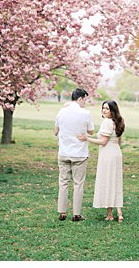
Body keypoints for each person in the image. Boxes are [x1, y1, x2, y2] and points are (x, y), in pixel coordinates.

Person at [78, 100, 125, 222]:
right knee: (115, 181)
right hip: (116, 152)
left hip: (108, 154)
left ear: (112, 110)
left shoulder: (107, 122)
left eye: (107, 108)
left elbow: (103, 142)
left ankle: (110, 214)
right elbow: (118, 141)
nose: (104, 110)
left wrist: (87, 138)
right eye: (103, 108)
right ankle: (119, 212)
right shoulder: (118, 122)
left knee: (107, 181)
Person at [54, 88, 94, 221]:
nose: (85, 103)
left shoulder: (61, 112)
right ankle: (76, 214)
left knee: (63, 183)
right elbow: (91, 132)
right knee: (78, 184)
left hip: (64, 152)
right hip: (79, 154)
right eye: (85, 100)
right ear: (80, 98)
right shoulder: (86, 113)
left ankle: (62, 212)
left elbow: (55, 131)